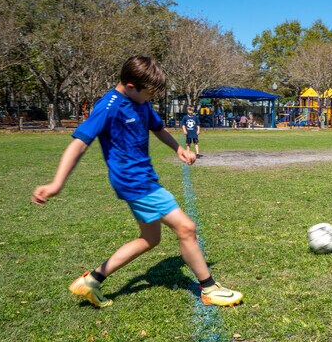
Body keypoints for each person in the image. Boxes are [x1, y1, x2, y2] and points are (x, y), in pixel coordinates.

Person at [32, 56, 243, 308]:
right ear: (131, 86)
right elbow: (78, 144)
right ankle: (208, 288)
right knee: (186, 228)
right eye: (149, 93)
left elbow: (158, 128)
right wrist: (57, 183)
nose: (151, 98)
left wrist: (178, 149)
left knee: (149, 239)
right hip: (135, 182)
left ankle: (92, 280)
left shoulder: (141, 102)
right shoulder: (109, 106)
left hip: (142, 178)